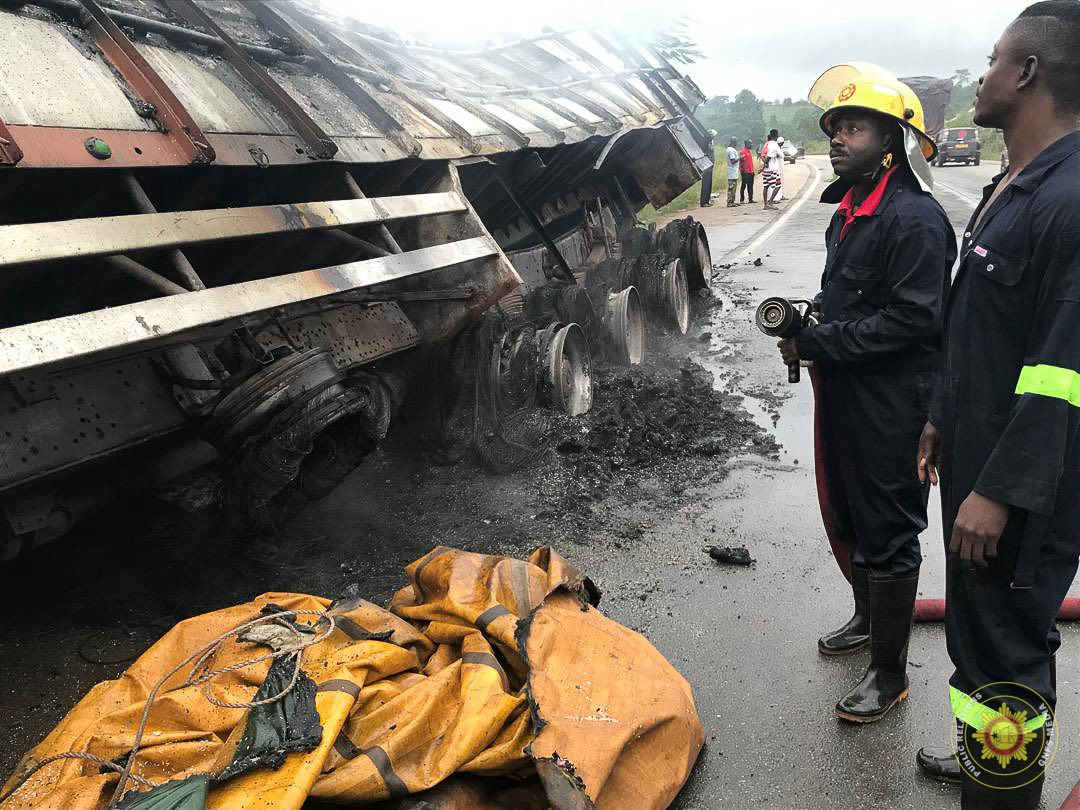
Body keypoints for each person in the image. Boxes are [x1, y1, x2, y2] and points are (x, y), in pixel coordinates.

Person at [913, 5, 1080, 807]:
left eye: (991, 60)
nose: (980, 76)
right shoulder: (1014, 182)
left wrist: (1001, 491)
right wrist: (944, 414)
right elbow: (976, 326)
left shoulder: (1073, 198)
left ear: (1027, 74)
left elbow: (1063, 373)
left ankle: (1004, 787)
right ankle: (984, 754)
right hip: (978, 459)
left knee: (1008, 644)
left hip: (1023, 492)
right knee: (977, 636)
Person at [780, 63, 956, 722]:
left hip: (895, 402)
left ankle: (889, 676)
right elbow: (843, 296)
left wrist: (822, 342)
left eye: (854, 127)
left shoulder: (913, 219)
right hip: (851, 396)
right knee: (852, 516)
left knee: (888, 530)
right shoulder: (851, 210)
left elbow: (917, 320)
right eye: (835, 127)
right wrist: (813, 319)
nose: (838, 138)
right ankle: (866, 618)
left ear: (893, 141)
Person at [761, 130, 784, 210]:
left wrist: (763, 166)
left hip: (766, 170)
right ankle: (770, 202)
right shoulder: (774, 145)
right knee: (778, 185)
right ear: (776, 136)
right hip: (772, 169)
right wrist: (766, 163)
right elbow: (771, 156)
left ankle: (765, 205)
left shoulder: (767, 144)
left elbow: (763, 154)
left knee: (766, 186)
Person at [699, 129, 716, 207]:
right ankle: (703, 202)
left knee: (709, 183)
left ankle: (707, 201)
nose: (713, 137)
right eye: (712, 136)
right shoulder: (705, 143)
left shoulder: (711, 143)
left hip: (710, 165)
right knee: (705, 184)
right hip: (706, 166)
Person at [725, 136, 740, 207]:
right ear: (733, 142)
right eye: (736, 141)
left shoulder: (730, 149)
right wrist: (740, 158)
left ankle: (732, 201)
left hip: (733, 171)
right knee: (731, 188)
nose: (737, 143)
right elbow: (733, 161)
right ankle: (729, 202)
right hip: (732, 171)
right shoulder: (731, 150)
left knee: (733, 187)